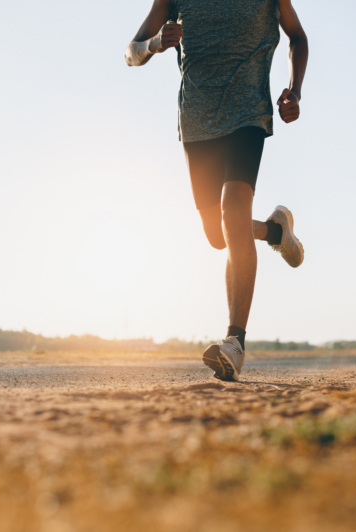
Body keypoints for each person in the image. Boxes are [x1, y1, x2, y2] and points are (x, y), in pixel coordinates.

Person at [125, 0, 308, 381]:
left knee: (232, 212)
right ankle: (275, 231)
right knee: (217, 234)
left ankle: (234, 342)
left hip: (247, 112)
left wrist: (295, 89)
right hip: (195, 121)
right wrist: (156, 42)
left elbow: (297, 36)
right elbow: (132, 50)